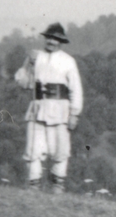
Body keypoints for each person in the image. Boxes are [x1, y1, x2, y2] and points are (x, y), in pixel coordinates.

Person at [14, 22, 83, 193]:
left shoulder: (68, 61)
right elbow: (23, 83)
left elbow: (76, 88)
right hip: (37, 108)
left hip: (60, 110)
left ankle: (57, 187)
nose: (51, 41)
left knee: (60, 150)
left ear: (61, 42)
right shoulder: (35, 57)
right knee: (33, 149)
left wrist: (74, 113)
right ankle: (34, 187)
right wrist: (29, 65)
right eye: (49, 38)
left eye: (55, 39)